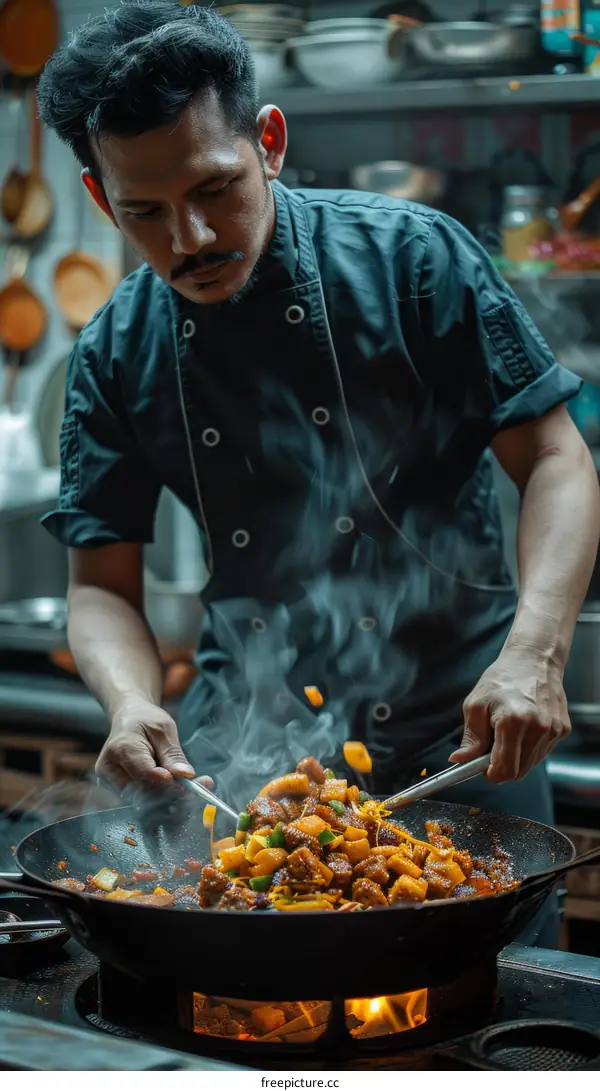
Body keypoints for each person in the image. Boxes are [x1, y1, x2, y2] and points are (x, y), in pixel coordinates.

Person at [38, 2, 598, 910]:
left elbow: (555, 458)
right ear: (103, 199)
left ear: (269, 142)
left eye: (214, 189)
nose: (190, 239)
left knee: (492, 998)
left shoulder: (414, 261)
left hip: (463, 749)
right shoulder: (112, 352)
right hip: (240, 766)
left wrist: (536, 653)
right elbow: (100, 584)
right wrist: (131, 702)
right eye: (145, 211)